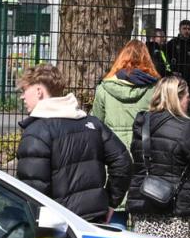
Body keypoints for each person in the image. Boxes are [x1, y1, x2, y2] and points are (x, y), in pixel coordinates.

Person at [15, 64, 131, 224]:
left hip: (58, 228)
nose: (22, 97)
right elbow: (123, 162)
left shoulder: (36, 132)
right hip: (94, 220)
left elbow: (33, 191)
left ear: (39, 91)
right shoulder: (93, 124)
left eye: (24, 90)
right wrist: (111, 203)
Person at [126, 76, 190, 238]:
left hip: (144, 204)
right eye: (187, 95)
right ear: (177, 98)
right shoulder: (185, 127)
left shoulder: (142, 124)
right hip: (176, 210)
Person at [93, 40, 159, 229]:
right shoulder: (154, 89)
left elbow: (96, 123)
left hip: (114, 159)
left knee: (115, 219)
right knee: (144, 223)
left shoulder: (104, 89)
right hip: (145, 157)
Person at [165, 19, 190, 85]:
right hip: (175, 78)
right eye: (184, 28)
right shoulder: (172, 43)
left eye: (189, 29)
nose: (187, 31)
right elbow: (166, 60)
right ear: (179, 29)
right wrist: (171, 72)